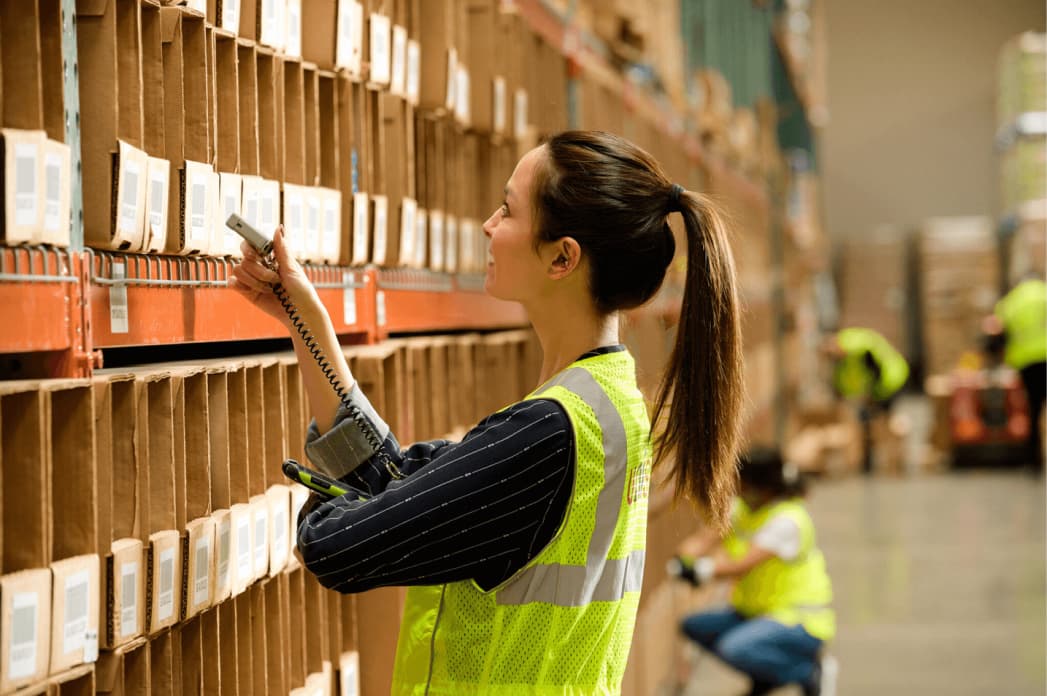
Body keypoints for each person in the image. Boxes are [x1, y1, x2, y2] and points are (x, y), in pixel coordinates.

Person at [229, 130, 745, 694]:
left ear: (562, 257)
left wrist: (320, 500)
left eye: (507, 209)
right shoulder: (607, 408)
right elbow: (402, 482)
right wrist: (306, 319)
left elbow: (338, 550)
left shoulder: (548, 434)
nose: (488, 224)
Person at [671, 447, 834, 696]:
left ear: (763, 488)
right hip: (755, 612)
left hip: (798, 620)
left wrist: (701, 570)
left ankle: (806, 670)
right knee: (694, 626)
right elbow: (703, 540)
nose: (738, 490)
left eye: (743, 485)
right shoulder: (743, 510)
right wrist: (683, 559)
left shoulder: (789, 520)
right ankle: (765, 677)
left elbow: (743, 564)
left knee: (735, 648)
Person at [821, 327, 909, 474]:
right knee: (866, 420)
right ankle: (867, 461)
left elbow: (875, 370)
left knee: (882, 420)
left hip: (890, 381)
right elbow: (843, 380)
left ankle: (894, 456)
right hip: (875, 388)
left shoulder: (858, 347)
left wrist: (871, 395)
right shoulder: (842, 357)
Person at [994, 275, 1047, 472]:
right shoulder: (1045, 293)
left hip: (1027, 363)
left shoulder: (1010, 303)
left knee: (1033, 409)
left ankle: (1035, 460)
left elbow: (998, 334)